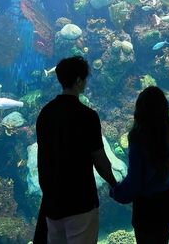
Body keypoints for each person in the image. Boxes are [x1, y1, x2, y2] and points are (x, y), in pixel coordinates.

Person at [34, 56, 117, 244]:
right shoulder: (88, 116)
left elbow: (43, 158)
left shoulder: (45, 114)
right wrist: (114, 183)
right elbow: (100, 160)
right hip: (81, 201)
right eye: (85, 79)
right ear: (79, 81)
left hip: (53, 202)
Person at [110, 86, 169, 244]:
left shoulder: (138, 136)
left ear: (140, 109)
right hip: (166, 199)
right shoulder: (166, 131)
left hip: (148, 206)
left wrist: (117, 191)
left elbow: (136, 179)